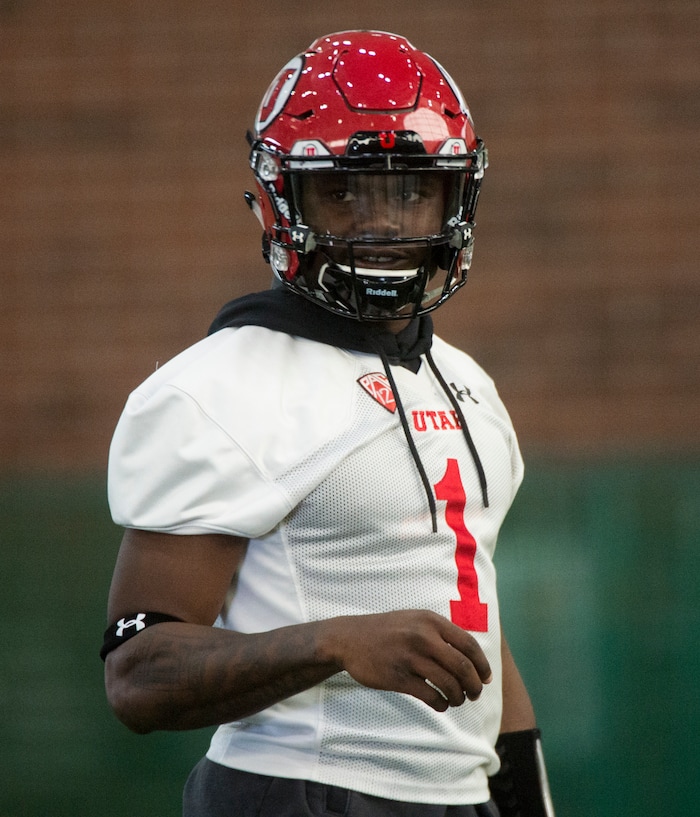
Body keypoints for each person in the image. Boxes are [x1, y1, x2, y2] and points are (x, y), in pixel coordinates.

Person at [101, 30, 556, 817]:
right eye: (345, 191)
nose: (382, 223)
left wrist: (526, 801)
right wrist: (333, 640)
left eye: (411, 189)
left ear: (456, 196)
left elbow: (476, 627)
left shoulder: (469, 384)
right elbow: (137, 671)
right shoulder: (222, 386)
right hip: (299, 790)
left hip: (458, 797)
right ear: (286, 199)